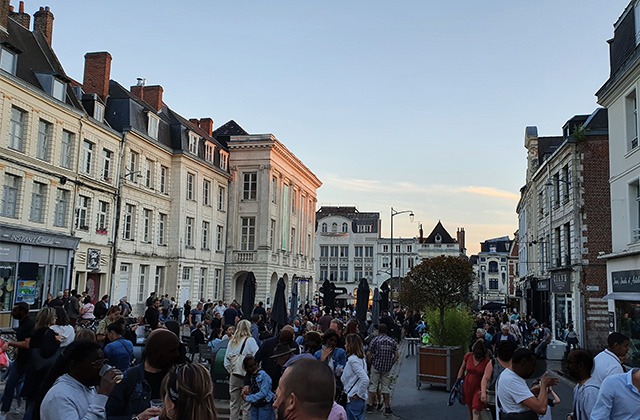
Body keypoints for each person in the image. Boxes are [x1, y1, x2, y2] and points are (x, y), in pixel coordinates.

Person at [106, 329, 180, 420]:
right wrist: (138, 418)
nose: (177, 354)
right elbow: (109, 416)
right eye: (172, 351)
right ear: (156, 353)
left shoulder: (178, 378)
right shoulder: (129, 378)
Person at [39, 340, 122, 420]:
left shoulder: (88, 387)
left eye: (103, 362)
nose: (101, 368)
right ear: (74, 365)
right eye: (96, 363)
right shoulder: (60, 397)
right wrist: (102, 395)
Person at [22, 307, 62, 420]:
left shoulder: (35, 332)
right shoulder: (49, 333)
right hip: (42, 374)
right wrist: (57, 342)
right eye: (54, 316)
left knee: (30, 404)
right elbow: (48, 352)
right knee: (35, 406)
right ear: (49, 318)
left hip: (33, 369)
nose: (56, 318)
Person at [495, 348, 559, 418]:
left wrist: (531, 392)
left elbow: (517, 398)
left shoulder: (508, 375)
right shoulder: (511, 380)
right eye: (533, 365)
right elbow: (541, 409)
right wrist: (544, 385)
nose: (533, 369)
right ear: (524, 362)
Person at [0, 302, 35, 419]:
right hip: (20, 360)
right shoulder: (22, 323)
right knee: (11, 384)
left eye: (15, 310)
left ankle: (26, 412)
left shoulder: (30, 324)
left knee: (21, 387)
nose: (12, 312)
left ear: (23, 312)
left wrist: (10, 343)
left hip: (28, 361)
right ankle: (4, 411)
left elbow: (27, 344)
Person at [224, 319, 259, 420]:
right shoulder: (251, 341)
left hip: (234, 375)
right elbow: (256, 357)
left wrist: (231, 371)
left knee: (234, 404)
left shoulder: (232, 341)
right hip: (247, 376)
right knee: (246, 405)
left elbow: (226, 360)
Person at [365, 324, 398, 416]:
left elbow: (369, 353)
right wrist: (391, 363)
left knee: (373, 385)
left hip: (376, 366)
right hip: (386, 368)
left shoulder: (375, 340)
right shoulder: (392, 341)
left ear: (378, 331)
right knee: (385, 387)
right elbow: (396, 355)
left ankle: (370, 406)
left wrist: (370, 362)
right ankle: (387, 407)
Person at [457, 339, 492, 420]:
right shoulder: (468, 356)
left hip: (479, 387)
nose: (477, 356)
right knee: (470, 406)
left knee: (476, 408)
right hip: (468, 385)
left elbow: (488, 376)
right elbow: (462, 368)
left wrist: (484, 390)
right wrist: (458, 380)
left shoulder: (487, 362)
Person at [341, 334, 368, 420]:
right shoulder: (361, 359)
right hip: (357, 397)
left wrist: (358, 394)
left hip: (353, 396)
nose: (345, 345)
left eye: (346, 343)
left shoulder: (353, 360)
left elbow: (365, 379)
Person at [566, 349, 599, 420]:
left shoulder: (590, 391)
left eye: (569, 362)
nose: (567, 366)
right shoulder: (578, 387)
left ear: (580, 365)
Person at [485, 340, 515, 420]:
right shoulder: (493, 362)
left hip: (510, 397)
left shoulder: (515, 363)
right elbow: (485, 378)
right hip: (494, 397)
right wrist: (483, 393)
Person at [242, 355, 275, 420]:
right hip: (255, 404)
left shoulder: (263, 375)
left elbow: (263, 393)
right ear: (247, 368)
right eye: (250, 366)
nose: (253, 367)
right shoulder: (251, 376)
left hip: (264, 403)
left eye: (254, 364)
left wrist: (249, 398)